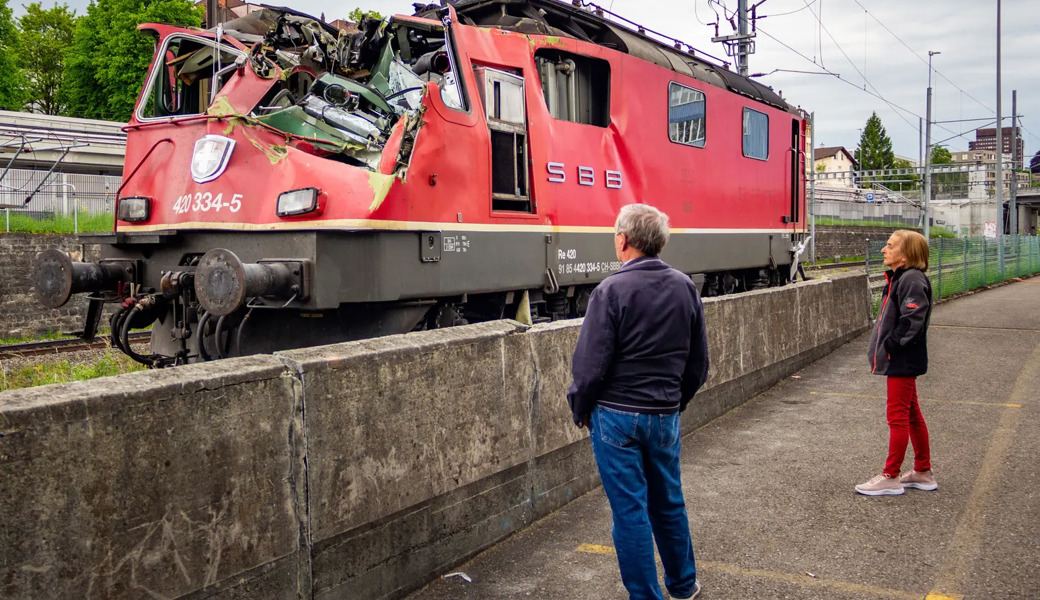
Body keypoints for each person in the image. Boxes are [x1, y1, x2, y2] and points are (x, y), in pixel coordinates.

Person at [567, 204, 710, 600]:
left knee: (630, 511)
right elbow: (698, 364)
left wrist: (581, 408)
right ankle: (683, 585)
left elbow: (589, 366)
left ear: (623, 239)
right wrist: (673, 403)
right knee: (669, 502)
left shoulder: (610, 290)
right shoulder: (685, 287)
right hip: (664, 415)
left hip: (615, 418)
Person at [857, 230, 938, 496]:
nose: (883, 249)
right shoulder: (902, 277)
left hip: (902, 359)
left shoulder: (911, 279)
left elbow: (912, 319)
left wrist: (891, 344)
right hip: (903, 358)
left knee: (897, 417)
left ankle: (891, 476)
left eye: (890, 246)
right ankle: (923, 472)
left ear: (905, 256)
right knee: (911, 414)